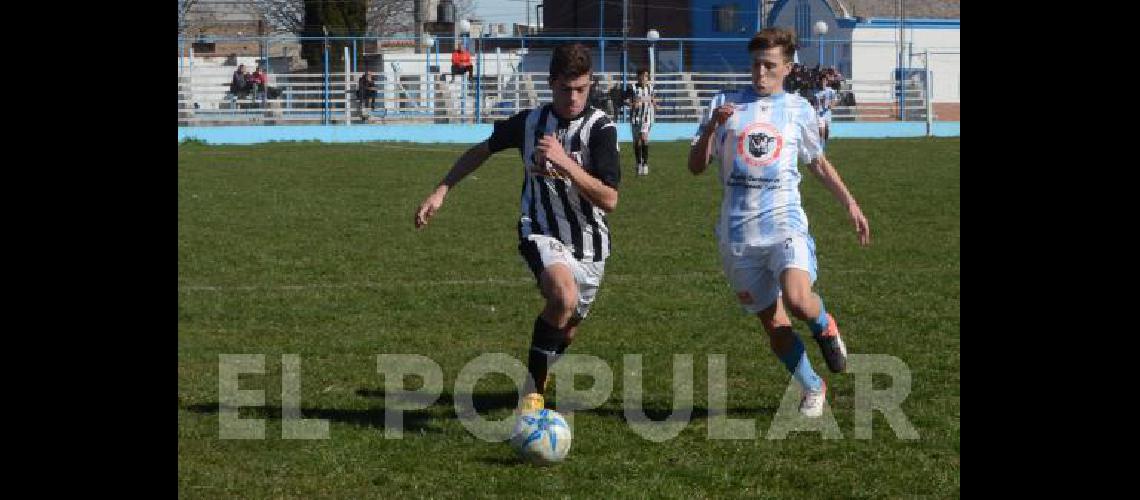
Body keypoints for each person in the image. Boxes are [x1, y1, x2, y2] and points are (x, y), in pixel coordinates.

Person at [414, 43, 621, 413]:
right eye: (565, 89)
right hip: (539, 230)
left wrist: (565, 163)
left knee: (566, 328)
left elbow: (609, 200)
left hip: (591, 246)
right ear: (551, 84)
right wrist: (441, 190)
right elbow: (482, 149)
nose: (573, 98)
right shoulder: (530, 122)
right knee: (562, 296)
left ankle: (539, 374)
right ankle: (532, 395)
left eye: (581, 89)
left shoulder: (601, 129)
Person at [687, 27, 870, 418]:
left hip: (784, 221)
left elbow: (817, 163)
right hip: (737, 233)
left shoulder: (798, 109)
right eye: (755, 64)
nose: (760, 72)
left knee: (799, 298)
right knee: (773, 323)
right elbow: (695, 167)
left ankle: (824, 325)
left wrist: (851, 205)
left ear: (787, 68)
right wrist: (712, 128)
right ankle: (812, 387)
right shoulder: (725, 103)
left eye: (770, 65)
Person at [625, 69, 658, 176]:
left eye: (646, 77)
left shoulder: (650, 88)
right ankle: (638, 163)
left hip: (646, 118)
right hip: (635, 118)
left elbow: (652, 99)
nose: (645, 79)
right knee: (637, 141)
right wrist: (633, 104)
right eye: (643, 76)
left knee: (644, 138)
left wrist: (655, 104)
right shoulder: (632, 88)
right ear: (638, 77)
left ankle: (645, 164)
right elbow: (626, 101)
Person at [813, 73, 837, 144]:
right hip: (819, 113)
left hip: (827, 112)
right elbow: (814, 102)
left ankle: (824, 143)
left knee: (826, 131)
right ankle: (820, 144)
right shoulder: (816, 91)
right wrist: (814, 108)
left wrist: (832, 105)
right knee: (820, 130)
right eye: (821, 81)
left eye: (824, 81)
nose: (823, 82)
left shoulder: (831, 91)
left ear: (826, 82)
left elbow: (835, 100)